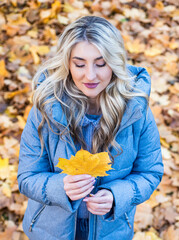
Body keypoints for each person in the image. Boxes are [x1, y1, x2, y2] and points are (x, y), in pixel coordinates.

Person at [17, 15, 163, 240]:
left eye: (101, 63)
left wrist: (117, 196)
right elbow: (27, 177)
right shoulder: (46, 107)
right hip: (51, 231)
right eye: (79, 64)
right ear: (67, 63)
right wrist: (60, 188)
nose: (90, 75)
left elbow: (150, 172)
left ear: (114, 62)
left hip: (110, 230)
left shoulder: (135, 111)